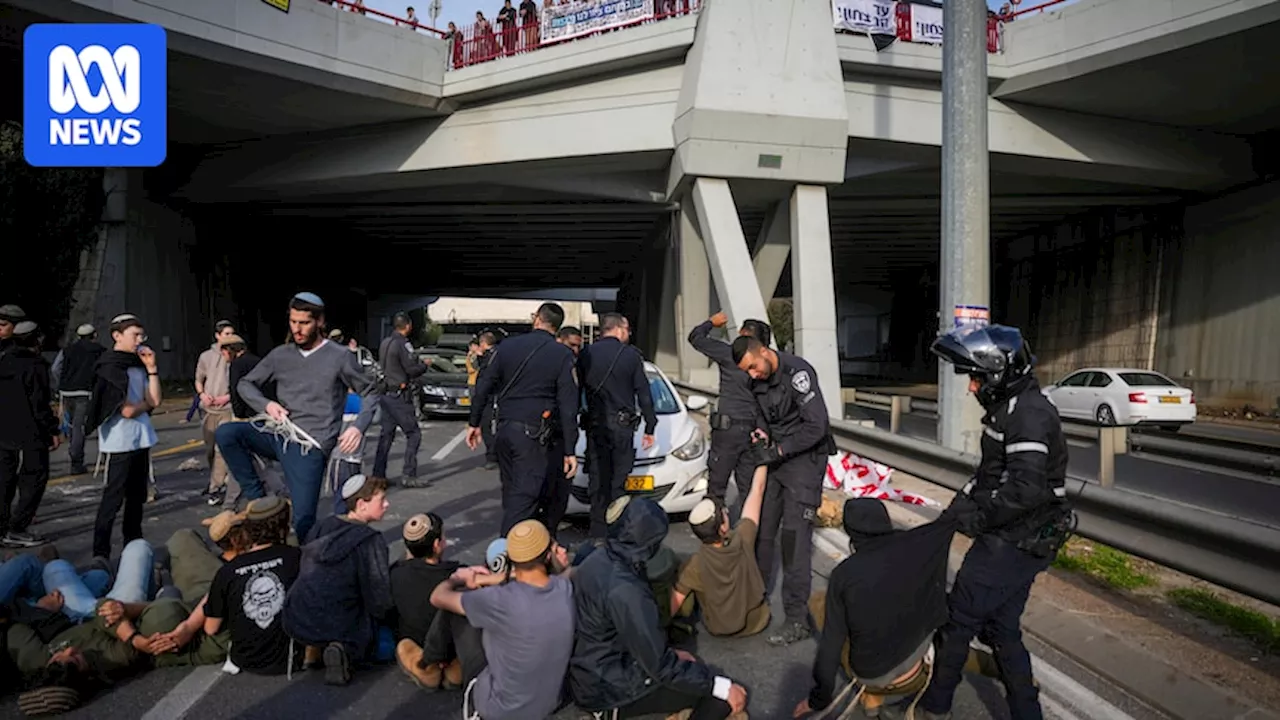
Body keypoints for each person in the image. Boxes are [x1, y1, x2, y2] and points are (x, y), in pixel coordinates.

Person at [914, 325, 1073, 720]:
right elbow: (989, 474)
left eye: (977, 377)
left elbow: (1025, 487)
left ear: (1000, 373)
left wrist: (979, 519)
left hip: (1016, 541)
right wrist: (957, 509)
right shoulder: (1008, 410)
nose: (971, 388)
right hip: (1017, 538)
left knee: (956, 623)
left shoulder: (1030, 414)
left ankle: (933, 709)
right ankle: (1027, 712)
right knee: (1002, 629)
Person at [215, 292, 378, 541]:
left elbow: (371, 391)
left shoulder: (340, 356)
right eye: (293, 322)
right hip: (279, 433)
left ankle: (309, 569)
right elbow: (245, 384)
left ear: (320, 321)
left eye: (304, 323)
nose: (297, 329)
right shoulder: (281, 355)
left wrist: (357, 427)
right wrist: (267, 405)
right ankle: (259, 498)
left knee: (303, 523)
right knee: (227, 433)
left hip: (309, 446)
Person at [569, 497, 749, 719]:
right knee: (727, 697)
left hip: (591, 673)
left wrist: (671, 655)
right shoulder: (628, 590)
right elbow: (660, 666)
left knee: (687, 664)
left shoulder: (597, 558)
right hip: (610, 691)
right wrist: (718, 685)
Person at [795, 499, 959, 719]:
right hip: (920, 668)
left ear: (851, 534)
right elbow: (952, 517)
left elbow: (830, 648)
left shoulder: (845, 575)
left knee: (820, 604)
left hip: (873, 677)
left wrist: (818, 700)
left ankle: (872, 699)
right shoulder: (921, 543)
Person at [731, 335, 835, 647]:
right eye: (746, 371)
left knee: (794, 539)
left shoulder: (797, 374)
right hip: (776, 456)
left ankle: (796, 618)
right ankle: (756, 599)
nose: (752, 374)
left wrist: (779, 449)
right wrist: (761, 433)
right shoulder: (755, 377)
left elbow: (818, 426)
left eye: (753, 366)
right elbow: (762, 413)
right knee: (763, 532)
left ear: (764, 352)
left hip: (803, 459)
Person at [421, 519, 575, 719]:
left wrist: (457, 578)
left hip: (500, 708)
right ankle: (442, 666)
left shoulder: (499, 600)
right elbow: (540, 576)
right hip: (549, 702)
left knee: (459, 608)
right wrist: (484, 579)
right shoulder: (564, 588)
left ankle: (430, 664)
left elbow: (438, 597)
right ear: (547, 556)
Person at [465, 304, 578, 535]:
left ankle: (521, 546)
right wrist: (570, 449)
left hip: (505, 430)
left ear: (537, 319)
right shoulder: (561, 354)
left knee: (511, 492)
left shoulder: (506, 347)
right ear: (556, 327)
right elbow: (568, 406)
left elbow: (483, 387)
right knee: (525, 497)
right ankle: (508, 554)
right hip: (534, 434)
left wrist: (474, 423)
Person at [282, 474, 394, 686]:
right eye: (382, 499)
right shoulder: (370, 540)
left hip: (300, 610)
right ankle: (342, 648)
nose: (387, 504)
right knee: (385, 640)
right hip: (340, 618)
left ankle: (312, 648)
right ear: (361, 505)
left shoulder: (321, 526)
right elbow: (378, 592)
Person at [86, 314, 162, 562]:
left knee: (137, 496)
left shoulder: (138, 362)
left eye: (142, 335)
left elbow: (156, 400)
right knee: (113, 497)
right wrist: (144, 404)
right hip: (120, 439)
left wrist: (152, 369)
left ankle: (134, 544)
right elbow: (127, 410)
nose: (139, 340)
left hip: (141, 437)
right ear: (117, 336)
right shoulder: (109, 365)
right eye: (134, 335)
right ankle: (101, 551)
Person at [671, 460, 771, 639]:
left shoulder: (696, 564)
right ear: (722, 528)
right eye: (724, 513)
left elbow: (676, 601)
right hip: (757, 623)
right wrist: (762, 460)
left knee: (679, 572)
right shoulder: (742, 538)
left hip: (718, 627)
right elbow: (757, 491)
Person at [203, 496, 302, 676]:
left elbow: (210, 628)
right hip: (291, 659)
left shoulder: (227, 571)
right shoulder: (297, 557)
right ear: (284, 527)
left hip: (244, 659)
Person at [578, 313, 656, 539]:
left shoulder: (586, 354)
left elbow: (575, 390)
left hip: (595, 425)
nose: (628, 334)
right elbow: (644, 393)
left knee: (597, 479)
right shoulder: (631, 356)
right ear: (620, 329)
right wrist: (650, 425)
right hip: (622, 428)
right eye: (628, 330)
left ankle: (597, 532)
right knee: (618, 482)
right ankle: (616, 530)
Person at [688, 313, 772, 518]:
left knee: (716, 490)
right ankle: (748, 538)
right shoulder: (766, 363)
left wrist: (711, 322)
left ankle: (715, 535)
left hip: (727, 432)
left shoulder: (729, 354)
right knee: (749, 491)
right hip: (753, 433)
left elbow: (695, 338)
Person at [0, 322, 60, 548]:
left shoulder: (3, 360)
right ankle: (17, 528)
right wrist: (52, 429)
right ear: (37, 340)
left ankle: (2, 527)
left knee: (4, 480)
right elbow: (40, 404)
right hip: (30, 433)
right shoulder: (35, 365)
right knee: (34, 479)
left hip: (3, 431)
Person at [390, 513, 459, 668]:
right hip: (449, 647)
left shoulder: (395, 574)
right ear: (436, 544)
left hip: (413, 643)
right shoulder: (456, 575)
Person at [373, 312, 431, 486]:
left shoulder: (385, 342)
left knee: (386, 435)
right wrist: (424, 365)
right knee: (414, 434)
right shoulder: (403, 344)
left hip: (386, 393)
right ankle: (409, 474)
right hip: (400, 394)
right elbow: (411, 369)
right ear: (408, 325)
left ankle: (378, 475)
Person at [195, 321, 237, 506]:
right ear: (218, 336)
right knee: (210, 449)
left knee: (222, 450)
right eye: (226, 333)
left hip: (226, 409)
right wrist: (202, 394)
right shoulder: (206, 356)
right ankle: (214, 480)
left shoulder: (234, 356)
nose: (230, 336)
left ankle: (216, 486)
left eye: (232, 333)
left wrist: (227, 398)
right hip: (208, 409)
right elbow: (199, 379)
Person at [57, 324, 104, 476]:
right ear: (94, 335)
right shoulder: (99, 351)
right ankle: (76, 462)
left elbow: (55, 368)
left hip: (66, 392)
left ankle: (75, 455)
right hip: (85, 391)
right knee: (79, 427)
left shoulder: (67, 349)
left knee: (71, 426)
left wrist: (62, 382)